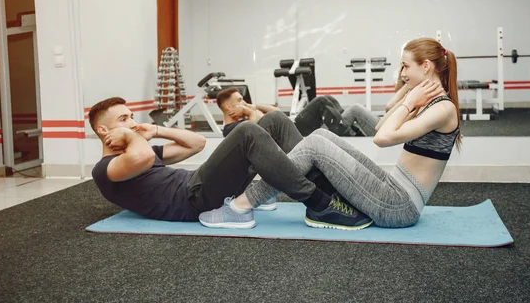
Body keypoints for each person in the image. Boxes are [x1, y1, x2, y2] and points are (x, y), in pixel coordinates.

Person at [200, 37, 461, 229]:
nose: (402, 73)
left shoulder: (443, 108)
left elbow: (383, 139)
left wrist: (409, 99)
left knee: (314, 145)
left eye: (405, 67)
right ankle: (259, 194)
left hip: (399, 206)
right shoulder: (428, 100)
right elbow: (381, 126)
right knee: (323, 137)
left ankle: (242, 206)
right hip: (391, 188)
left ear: (426, 66)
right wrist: (408, 91)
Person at [88, 97, 372, 229]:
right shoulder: (105, 170)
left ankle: (329, 191)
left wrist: (157, 130)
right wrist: (130, 136)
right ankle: (320, 204)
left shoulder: (140, 151)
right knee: (246, 131)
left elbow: (196, 144)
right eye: (123, 120)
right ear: (104, 131)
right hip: (192, 200)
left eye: (131, 116)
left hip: (198, 183)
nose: (132, 123)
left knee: (272, 120)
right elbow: (144, 157)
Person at [216, 89, 378, 138]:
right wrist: (248, 111)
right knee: (321, 103)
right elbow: (253, 132)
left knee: (328, 99)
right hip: (293, 134)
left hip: (291, 126)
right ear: (229, 109)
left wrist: (251, 105)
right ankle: (349, 134)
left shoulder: (248, 113)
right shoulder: (232, 129)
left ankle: (348, 130)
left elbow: (277, 112)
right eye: (238, 101)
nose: (242, 103)